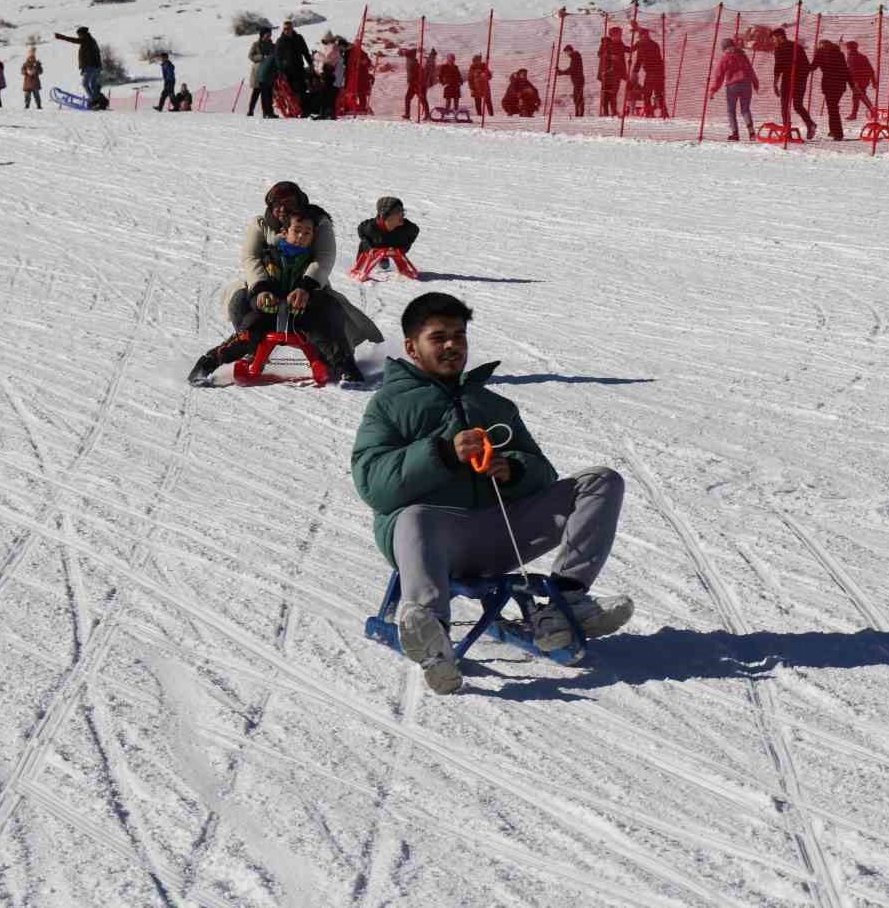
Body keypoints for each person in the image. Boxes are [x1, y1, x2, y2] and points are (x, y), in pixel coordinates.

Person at [350, 292, 634, 694]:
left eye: (459, 336)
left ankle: (565, 603)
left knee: (601, 481)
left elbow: (542, 473)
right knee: (414, 515)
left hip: (500, 535)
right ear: (412, 347)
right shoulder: (388, 406)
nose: (452, 346)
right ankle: (431, 630)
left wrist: (513, 469)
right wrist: (444, 453)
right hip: (432, 541)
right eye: (439, 337)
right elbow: (373, 485)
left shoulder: (493, 405)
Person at [188, 207, 367, 386]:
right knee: (248, 333)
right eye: (296, 231)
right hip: (269, 313)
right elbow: (257, 286)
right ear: (284, 232)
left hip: (302, 315)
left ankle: (346, 368)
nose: (301, 237)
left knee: (323, 331)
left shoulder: (314, 262)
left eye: (307, 233)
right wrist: (263, 298)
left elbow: (319, 290)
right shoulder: (269, 257)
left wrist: (307, 297)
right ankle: (207, 364)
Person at [220, 181, 383, 376]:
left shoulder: (317, 222)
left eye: (288, 203)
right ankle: (250, 350)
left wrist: (306, 287)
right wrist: (262, 287)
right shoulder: (261, 224)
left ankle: (338, 359)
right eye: (276, 204)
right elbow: (250, 257)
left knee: (329, 310)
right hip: (267, 286)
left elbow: (324, 257)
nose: (281, 209)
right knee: (239, 301)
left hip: (307, 286)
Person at [708, 38, 758, 141]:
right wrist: (755, 83)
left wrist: (713, 90)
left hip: (732, 86)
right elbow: (750, 70)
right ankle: (751, 132)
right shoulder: (743, 55)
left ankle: (735, 134)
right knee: (745, 109)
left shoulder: (725, 58)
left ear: (724, 48)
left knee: (731, 110)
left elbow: (719, 75)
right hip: (746, 84)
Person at [770, 28, 816, 140]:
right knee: (797, 105)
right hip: (799, 79)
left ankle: (788, 132)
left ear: (780, 36)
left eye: (774, 38)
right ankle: (810, 124)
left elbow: (778, 67)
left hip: (789, 80)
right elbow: (807, 66)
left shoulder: (780, 48)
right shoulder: (797, 46)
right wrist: (802, 78)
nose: (773, 41)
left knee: (785, 106)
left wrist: (775, 84)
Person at [54, 26, 104, 106]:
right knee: (93, 84)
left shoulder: (85, 39)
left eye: (79, 34)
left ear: (82, 34)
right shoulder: (92, 40)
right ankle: (99, 100)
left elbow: (74, 40)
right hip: (97, 67)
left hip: (90, 67)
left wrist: (61, 37)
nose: (78, 36)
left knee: (85, 84)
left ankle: (93, 101)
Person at [813, 38, 850, 141]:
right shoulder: (839, 54)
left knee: (832, 108)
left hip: (829, 85)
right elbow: (845, 70)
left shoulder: (820, 54)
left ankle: (838, 133)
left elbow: (812, 67)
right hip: (840, 85)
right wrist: (851, 85)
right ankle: (834, 130)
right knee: (832, 107)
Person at [275, 19, 313, 103]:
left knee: (302, 88)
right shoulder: (280, 41)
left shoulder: (299, 38)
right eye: (285, 29)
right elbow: (278, 58)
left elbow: (305, 52)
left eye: (289, 28)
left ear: (292, 28)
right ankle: (296, 110)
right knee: (292, 91)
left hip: (299, 67)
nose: (287, 30)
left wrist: (311, 64)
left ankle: (304, 109)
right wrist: (281, 71)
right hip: (288, 70)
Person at [633, 29, 667, 118]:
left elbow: (654, 59)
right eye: (641, 36)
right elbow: (638, 60)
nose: (642, 38)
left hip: (655, 71)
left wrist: (639, 45)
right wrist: (635, 71)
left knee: (652, 93)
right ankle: (655, 112)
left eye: (643, 36)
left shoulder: (652, 45)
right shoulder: (643, 45)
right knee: (653, 93)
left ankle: (656, 112)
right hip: (653, 72)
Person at [598, 26, 628, 117]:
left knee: (613, 92)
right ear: (613, 35)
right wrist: (611, 57)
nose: (620, 36)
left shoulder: (620, 44)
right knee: (607, 93)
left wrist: (637, 45)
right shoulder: (606, 43)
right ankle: (606, 111)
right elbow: (600, 54)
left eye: (620, 35)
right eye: (619, 34)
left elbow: (627, 49)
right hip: (607, 72)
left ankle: (613, 111)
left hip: (616, 72)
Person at [247, 29, 276, 117]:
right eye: (267, 34)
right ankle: (251, 110)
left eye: (270, 35)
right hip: (258, 72)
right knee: (256, 92)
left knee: (268, 93)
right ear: (262, 35)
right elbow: (250, 56)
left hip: (269, 72)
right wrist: (261, 57)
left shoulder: (272, 45)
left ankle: (269, 112)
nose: (269, 36)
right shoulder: (256, 44)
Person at [845, 41, 875, 120]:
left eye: (847, 48)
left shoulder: (852, 58)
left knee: (859, 96)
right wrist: (873, 81)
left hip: (858, 81)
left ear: (849, 48)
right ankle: (871, 111)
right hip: (863, 80)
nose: (846, 49)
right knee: (859, 96)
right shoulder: (862, 56)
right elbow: (871, 70)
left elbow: (852, 71)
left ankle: (872, 111)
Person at [402, 47, 430, 121]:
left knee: (422, 98)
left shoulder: (413, 63)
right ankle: (407, 114)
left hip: (417, 84)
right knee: (408, 98)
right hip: (413, 83)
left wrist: (415, 83)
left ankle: (427, 114)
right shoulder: (411, 62)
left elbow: (416, 75)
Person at [557, 44, 585, 117]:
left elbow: (572, 70)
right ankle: (578, 114)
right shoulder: (575, 57)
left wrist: (561, 72)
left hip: (578, 80)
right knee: (577, 97)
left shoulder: (575, 57)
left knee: (578, 98)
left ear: (569, 51)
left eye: (566, 52)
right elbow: (572, 69)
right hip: (578, 80)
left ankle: (579, 114)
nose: (566, 54)